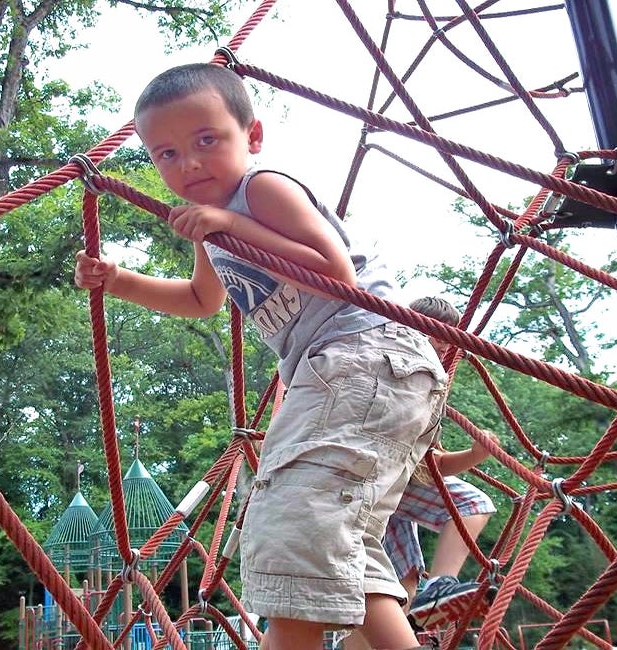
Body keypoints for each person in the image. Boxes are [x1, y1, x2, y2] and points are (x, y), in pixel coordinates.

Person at [74, 62, 446, 650]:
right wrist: (119, 280)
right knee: (337, 535)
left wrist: (229, 225)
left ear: (252, 137)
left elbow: (334, 273)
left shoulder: (263, 187)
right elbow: (200, 299)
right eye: (166, 154)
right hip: (342, 372)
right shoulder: (213, 226)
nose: (189, 163)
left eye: (206, 141)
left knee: (292, 520)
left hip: (367, 354)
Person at [343, 297, 498, 649]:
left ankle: (425, 601)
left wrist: (475, 455)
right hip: (363, 477)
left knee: (400, 576)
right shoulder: (384, 361)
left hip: (394, 488)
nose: (443, 344)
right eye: (433, 333)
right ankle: (436, 589)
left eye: (448, 337)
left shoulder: (430, 384)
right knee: (472, 503)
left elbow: (431, 466)